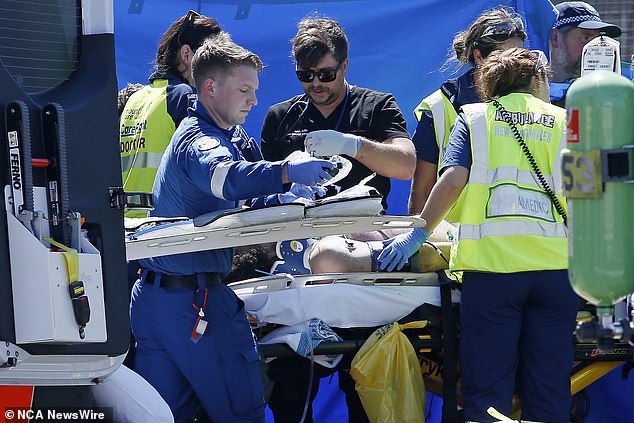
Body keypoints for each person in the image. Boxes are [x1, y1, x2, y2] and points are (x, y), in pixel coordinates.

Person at [130, 32, 337, 423]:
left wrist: (278, 198)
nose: (254, 100)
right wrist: (288, 172)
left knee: (160, 416)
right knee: (243, 412)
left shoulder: (210, 134)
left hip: (160, 299)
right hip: (195, 302)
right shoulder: (199, 138)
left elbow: (229, 195)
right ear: (209, 87)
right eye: (244, 89)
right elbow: (225, 177)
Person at [378, 47, 578, 423]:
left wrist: (419, 232)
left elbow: (453, 179)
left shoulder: (474, 117)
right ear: (537, 79)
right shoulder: (568, 121)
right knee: (550, 389)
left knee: (488, 393)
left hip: (493, 273)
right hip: (556, 274)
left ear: (489, 85)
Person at [260, 17, 415, 210]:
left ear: (345, 66)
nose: (316, 83)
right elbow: (265, 187)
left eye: (326, 75)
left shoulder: (377, 105)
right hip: (298, 228)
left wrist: (352, 145)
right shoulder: (280, 116)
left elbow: (405, 166)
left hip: (360, 227)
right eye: (306, 75)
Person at [409, 8, 526, 215]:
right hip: (452, 239)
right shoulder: (437, 108)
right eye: (505, 57)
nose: (515, 66)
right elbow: (422, 191)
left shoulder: (532, 104)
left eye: (520, 57)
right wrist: (418, 243)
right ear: (479, 56)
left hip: (516, 236)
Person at [119, 10, 222, 217]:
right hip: (167, 228)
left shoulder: (136, 98)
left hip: (128, 227)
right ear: (187, 55)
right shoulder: (185, 97)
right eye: (214, 59)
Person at [549, 1, 621, 106]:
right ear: (555, 38)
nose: (594, 48)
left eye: (598, 40)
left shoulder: (613, 93)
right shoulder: (526, 91)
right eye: (585, 38)